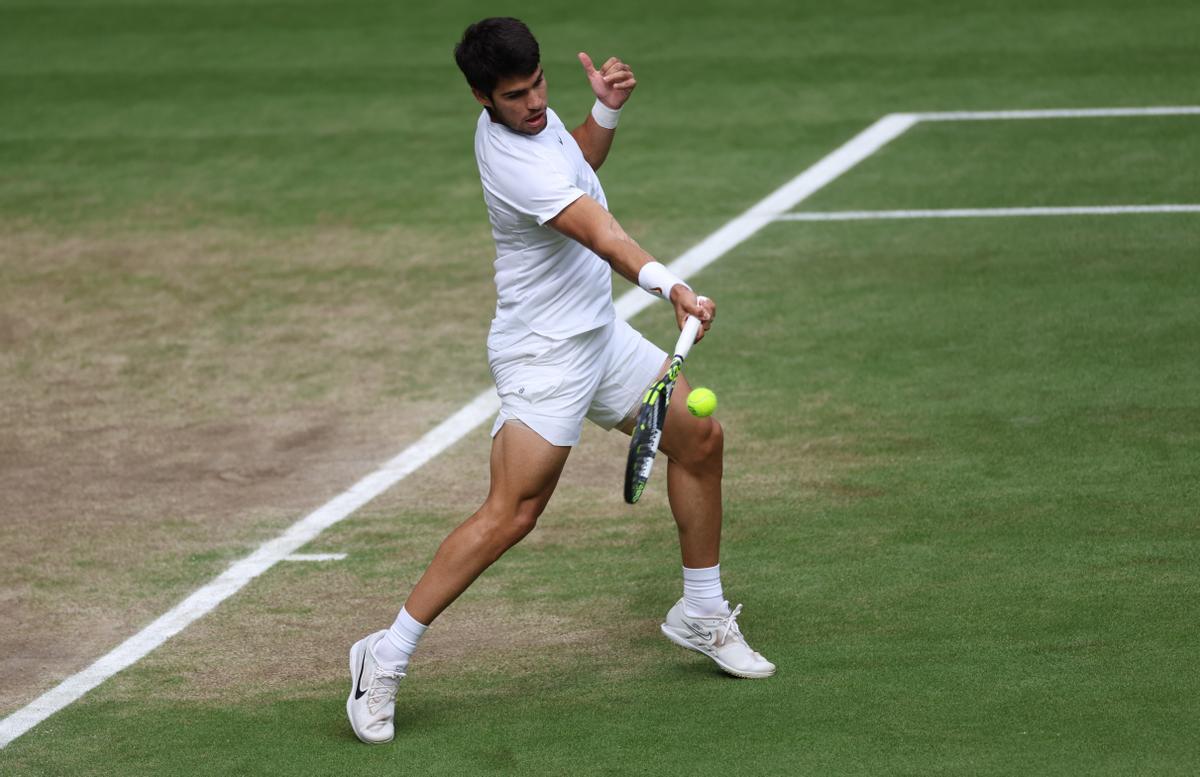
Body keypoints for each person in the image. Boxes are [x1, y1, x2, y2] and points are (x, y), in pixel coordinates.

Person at [346, 17, 774, 744]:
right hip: (544, 352)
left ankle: (701, 612)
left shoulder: (538, 130)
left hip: (597, 338)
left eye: (539, 83)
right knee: (512, 513)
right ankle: (381, 656)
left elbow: (577, 161)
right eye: (516, 96)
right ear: (481, 97)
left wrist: (603, 110)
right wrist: (670, 285)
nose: (535, 102)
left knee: (699, 439)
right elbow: (599, 233)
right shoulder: (508, 159)